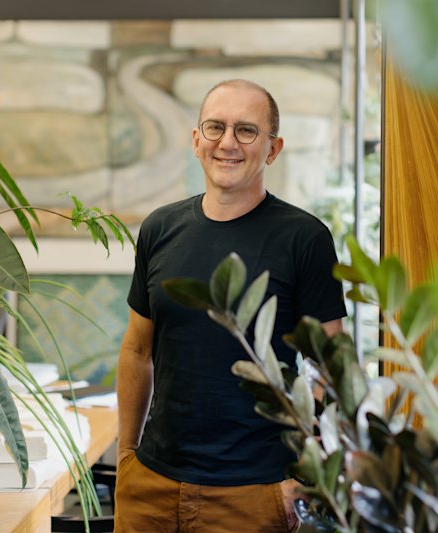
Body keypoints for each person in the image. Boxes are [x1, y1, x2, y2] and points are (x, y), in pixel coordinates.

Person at [114, 79, 346, 532]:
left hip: (255, 494)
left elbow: (331, 371)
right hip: (151, 486)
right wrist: (127, 458)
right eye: (215, 127)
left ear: (273, 149)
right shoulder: (160, 229)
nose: (227, 143)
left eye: (246, 131)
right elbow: (137, 350)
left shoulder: (305, 239)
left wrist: (300, 481)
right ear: (196, 139)